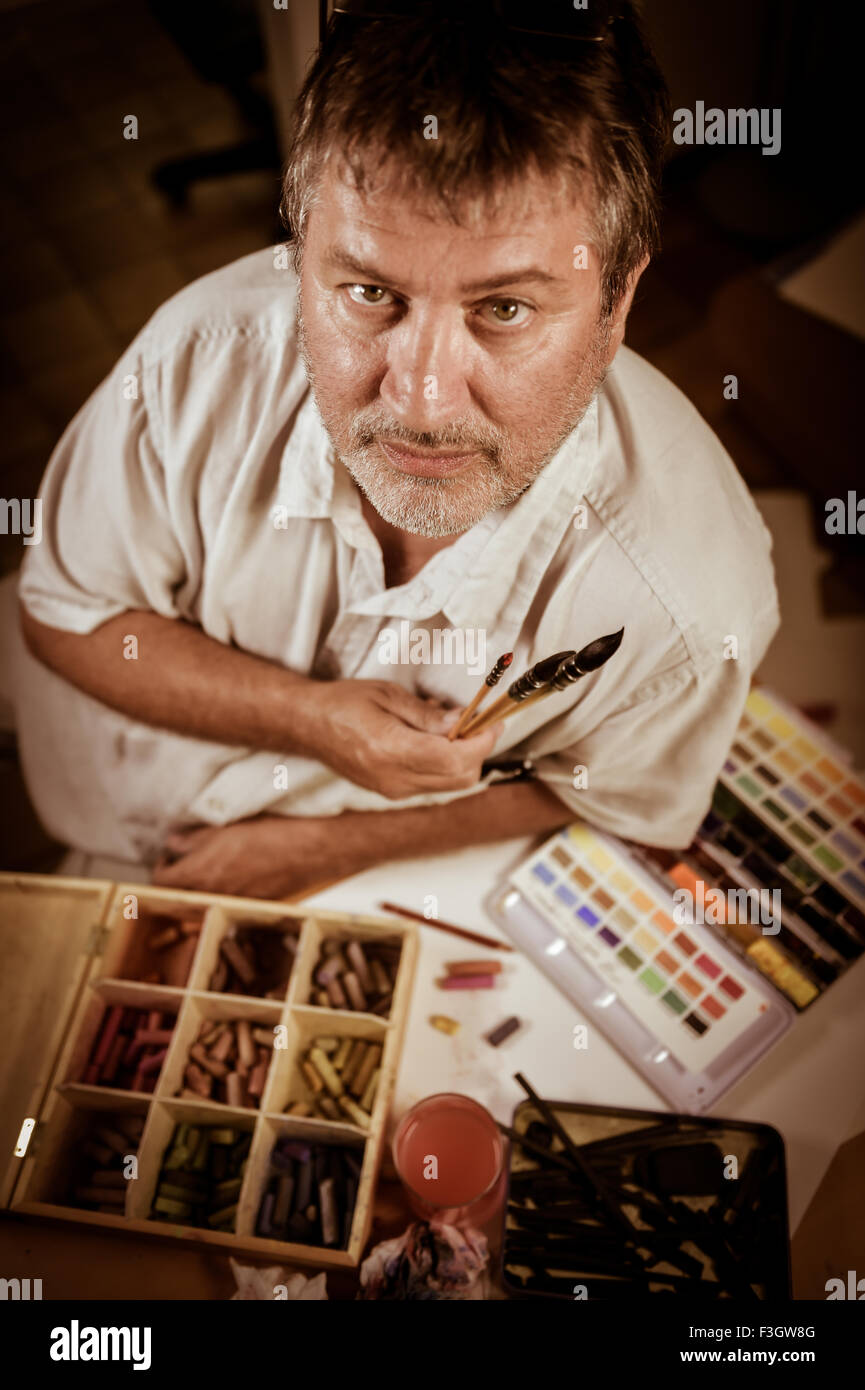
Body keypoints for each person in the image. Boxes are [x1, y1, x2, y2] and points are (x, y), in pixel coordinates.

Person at [12, 0, 779, 898]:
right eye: (370, 291)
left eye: (504, 308)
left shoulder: (692, 606)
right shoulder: (193, 360)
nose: (419, 397)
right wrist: (310, 720)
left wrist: (332, 847)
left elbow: (611, 788)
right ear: (300, 253)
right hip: (97, 808)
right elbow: (65, 612)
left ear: (617, 302)